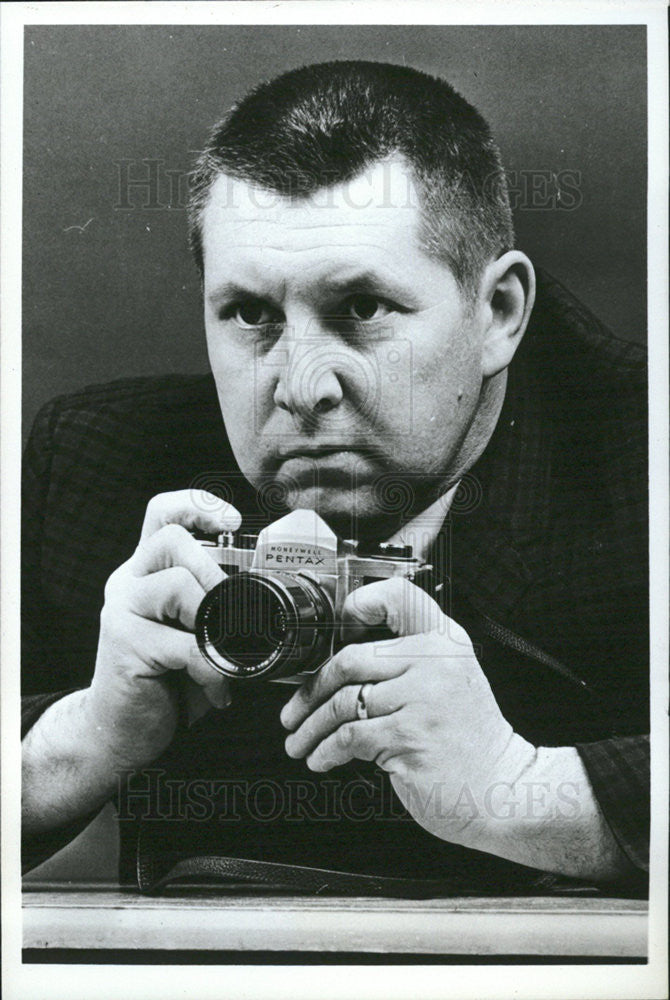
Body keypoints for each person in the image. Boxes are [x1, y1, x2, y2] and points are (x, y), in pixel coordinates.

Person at [21, 61, 648, 894]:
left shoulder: (642, 449)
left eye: (362, 310)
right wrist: (84, 738)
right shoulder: (105, 460)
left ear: (498, 315)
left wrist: (524, 787)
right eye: (252, 315)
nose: (301, 385)